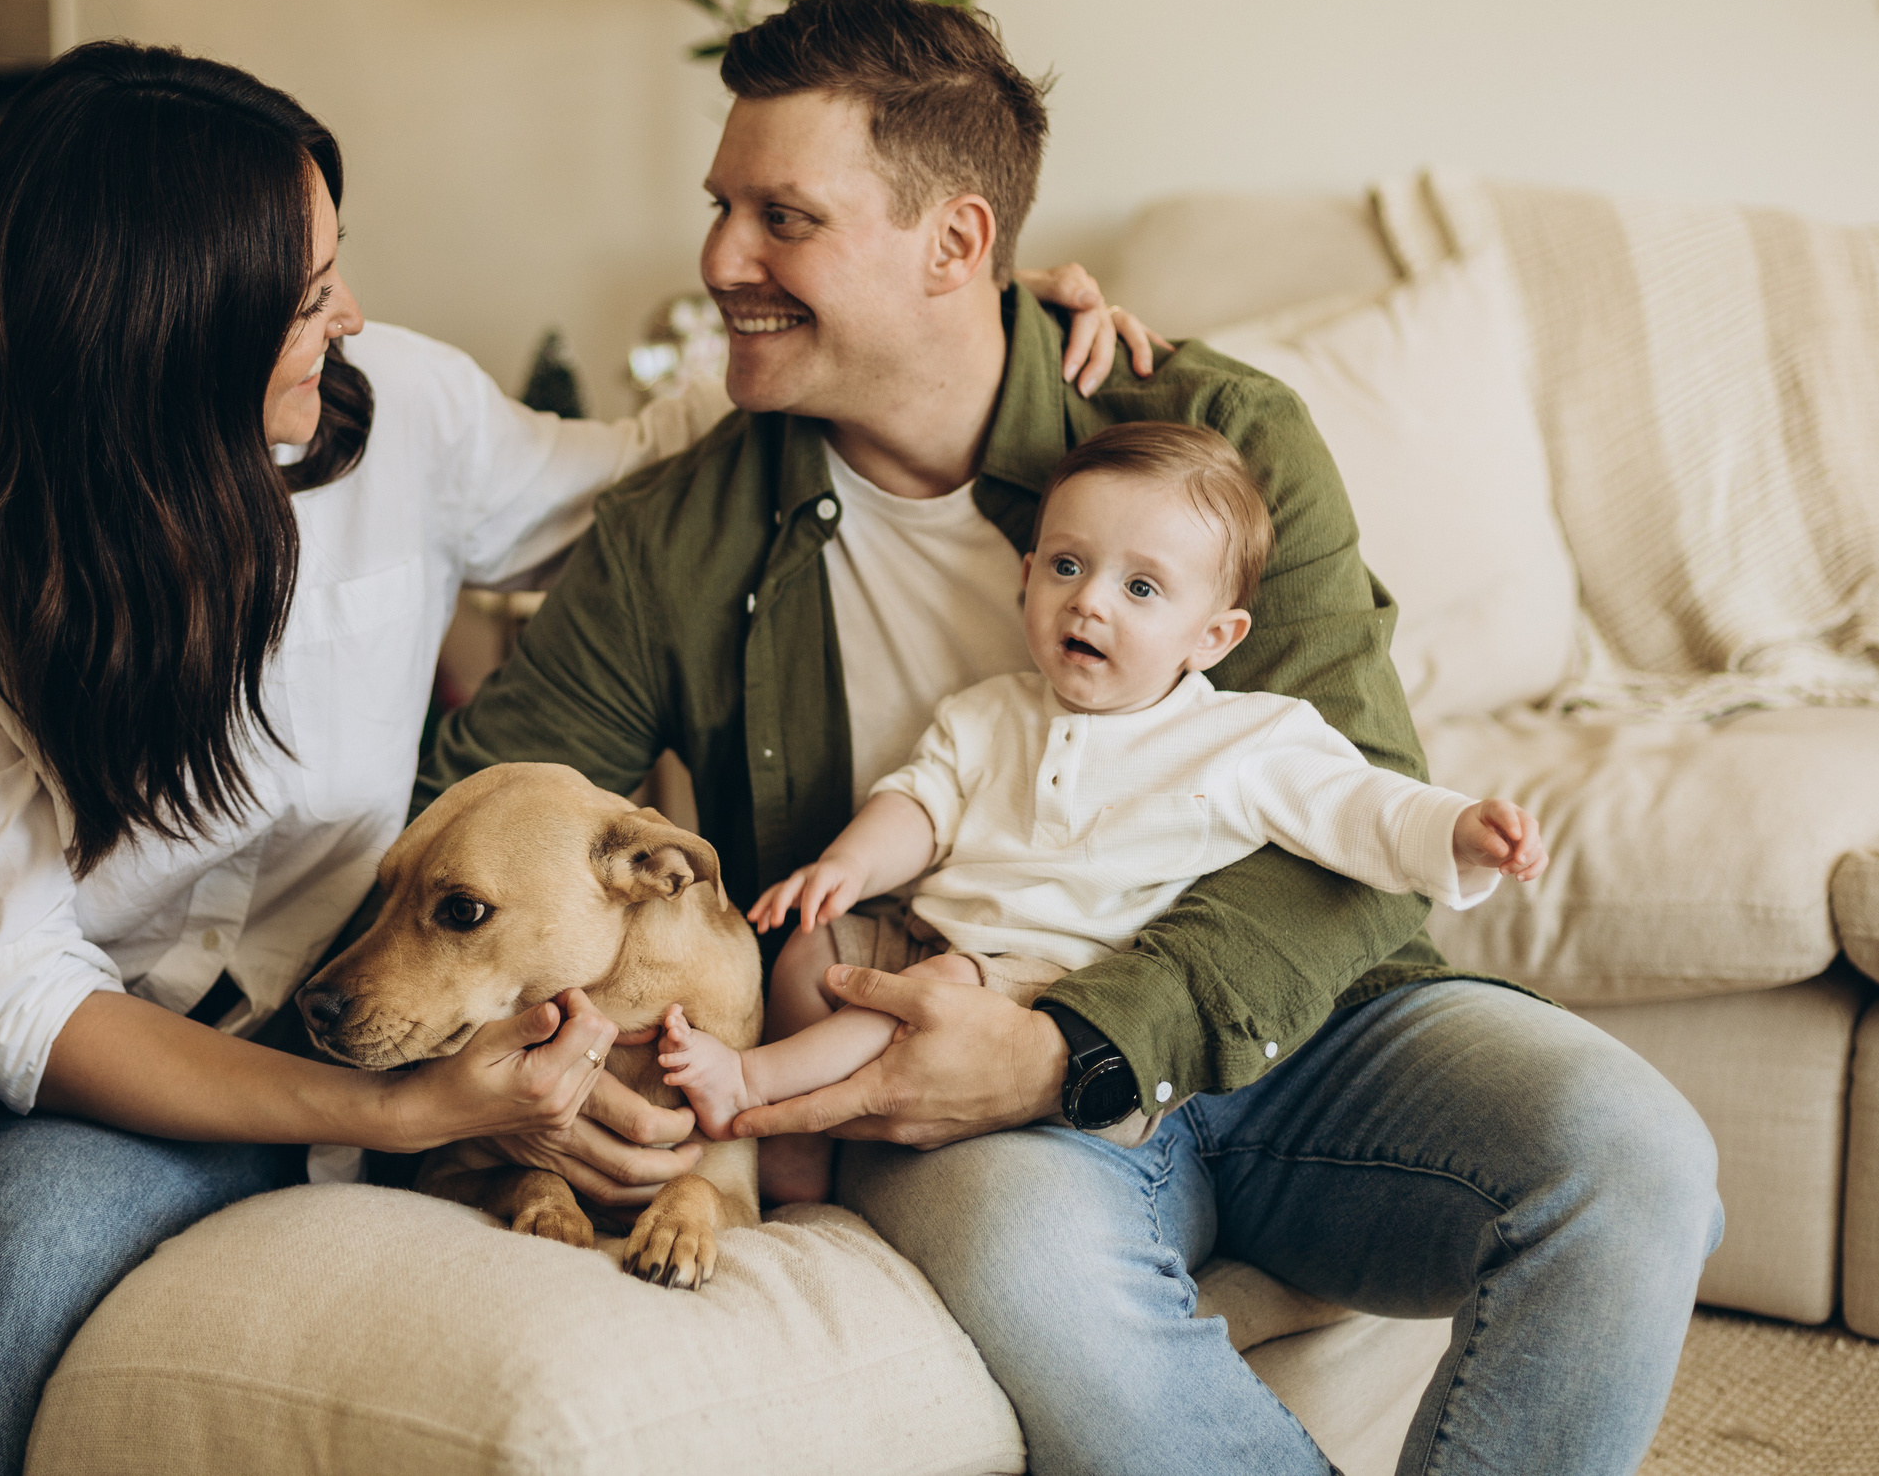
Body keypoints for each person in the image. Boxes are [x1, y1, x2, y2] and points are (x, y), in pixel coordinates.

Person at [0, 39, 1150, 1476]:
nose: (348, 318)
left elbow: (640, 461)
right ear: (164, 339)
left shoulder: (398, 409)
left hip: (242, 1013)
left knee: (17, 1244)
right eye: (307, 296)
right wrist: (408, 1112)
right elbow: (10, 987)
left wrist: (972, 319)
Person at [412, 0, 1723, 1475]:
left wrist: (1064, 1045)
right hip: (944, 1087)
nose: (719, 261)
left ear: (959, 243)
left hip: (1296, 1036)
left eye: (784, 216)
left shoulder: (1219, 437)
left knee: (1635, 1152)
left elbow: (1357, 813)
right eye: (721, 207)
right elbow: (462, 823)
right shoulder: (680, 535)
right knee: (1032, 1271)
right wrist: (530, 1079)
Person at [653, 421, 1548, 1203]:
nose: (1089, 600)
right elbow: (919, 804)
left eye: (1142, 588)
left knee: (929, 997)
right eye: (1069, 566)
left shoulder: (1244, 738)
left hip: (1054, 984)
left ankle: (750, 1086)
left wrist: (1459, 829)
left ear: (1214, 637)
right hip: (929, 931)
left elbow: (1359, 807)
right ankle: (802, 1165)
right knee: (812, 949)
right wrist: (845, 867)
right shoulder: (989, 711)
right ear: (1028, 576)